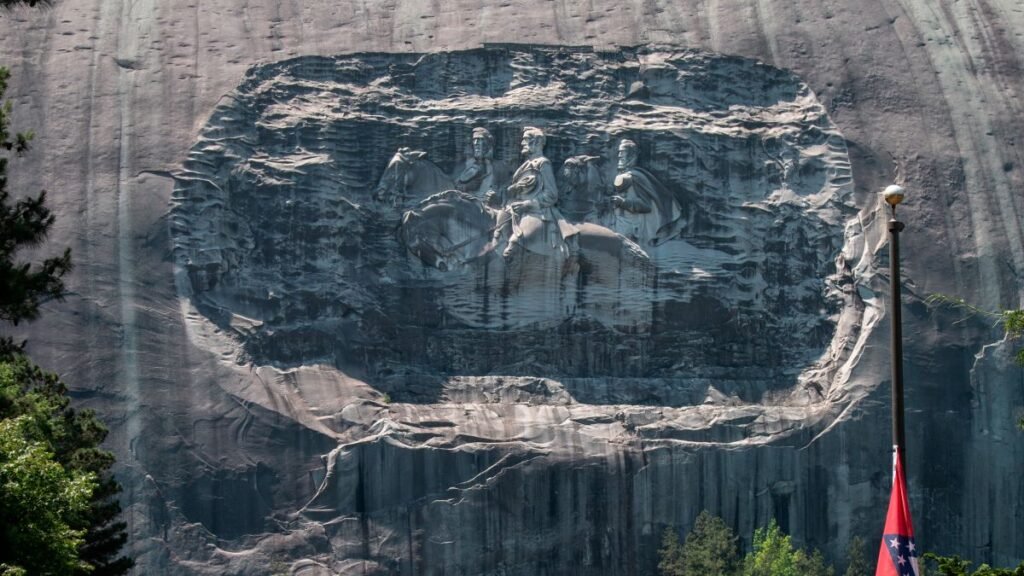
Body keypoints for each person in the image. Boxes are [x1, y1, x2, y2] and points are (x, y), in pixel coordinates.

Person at [493, 127, 576, 259]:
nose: (522, 143)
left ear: (536, 142)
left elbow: (551, 194)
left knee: (515, 242)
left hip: (537, 213)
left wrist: (527, 204)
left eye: (525, 139)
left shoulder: (543, 164)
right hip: (516, 210)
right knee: (497, 229)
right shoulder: (526, 164)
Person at [609, 139, 682, 245]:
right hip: (617, 222)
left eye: (623, 152)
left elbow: (646, 205)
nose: (619, 155)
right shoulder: (625, 176)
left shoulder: (635, 177)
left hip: (631, 228)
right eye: (619, 152)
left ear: (631, 155)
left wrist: (622, 202)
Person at [454, 127, 508, 205]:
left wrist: (496, 198)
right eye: (474, 140)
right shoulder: (465, 166)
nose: (476, 143)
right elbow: (455, 188)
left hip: (490, 209)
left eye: (480, 139)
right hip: (469, 207)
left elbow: (507, 192)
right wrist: (468, 187)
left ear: (488, 144)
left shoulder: (500, 167)